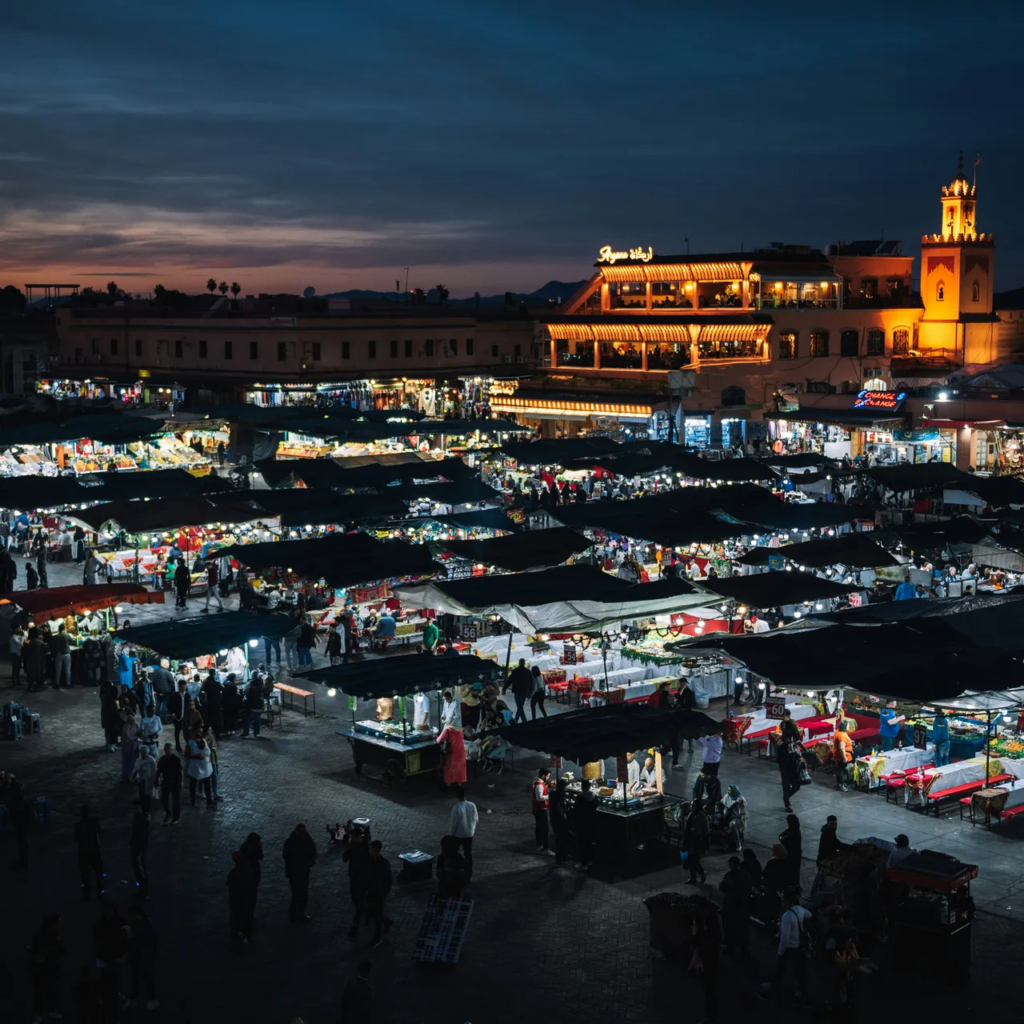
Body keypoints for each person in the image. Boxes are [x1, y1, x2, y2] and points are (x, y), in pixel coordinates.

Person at [760, 888, 811, 1002]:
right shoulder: (799, 910)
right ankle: (803, 993)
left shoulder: (786, 916)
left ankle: (773, 992)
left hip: (789, 947)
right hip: (799, 946)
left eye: (784, 900)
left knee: (780, 969)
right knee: (799, 971)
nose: (782, 903)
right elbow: (810, 915)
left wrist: (780, 952)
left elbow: (784, 938)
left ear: (789, 902)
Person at [28, 914, 65, 1023]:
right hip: (41, 968)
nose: (59, 925)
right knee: (40, 992)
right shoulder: (44, 936)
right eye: (57, 923)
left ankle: (47, 1011)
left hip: (49, 967)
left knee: (50, 990)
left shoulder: (54, 935)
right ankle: (40, 1013)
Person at [124, 902, 159, 1010]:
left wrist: (131, 937)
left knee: (144, 977)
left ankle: (149, 999)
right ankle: (145, 999)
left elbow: (145, 942)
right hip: (140, 956)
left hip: (143, 956)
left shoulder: (145, 926)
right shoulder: (144, 924)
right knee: (138, 978)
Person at [282, 823, 318, 923]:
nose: (302, 835)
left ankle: (300, 914)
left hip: (304, 871)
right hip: (294, 873)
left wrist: (310, 861)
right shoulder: (290, 842)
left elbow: (313, 850)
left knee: (304, 894)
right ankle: (293, 915)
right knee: (296, 894)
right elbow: (286, 856)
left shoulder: (306, 838)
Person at [719, 856, 752, 956]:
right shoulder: (741, 875)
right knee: (734, 929)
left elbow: (745, 891)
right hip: (734, 906)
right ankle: (733, 947)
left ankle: (739, 949)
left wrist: (731, 887)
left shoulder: (743, 876)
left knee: (737, 929)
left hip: (737, 906)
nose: (731, 867)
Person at [226, 850, 258, 947]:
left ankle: (238, 940)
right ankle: (248, 935)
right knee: (247, 917)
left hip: (237, 900)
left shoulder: (234, 874)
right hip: (248, 898)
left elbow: (229, 883)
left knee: (236, 920)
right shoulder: (248, 868)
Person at [364, 840, 393, 947]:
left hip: (378, 893)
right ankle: (386, 921)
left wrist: (383, 893)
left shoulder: (384, 864)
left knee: (376, 916)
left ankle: (377, 937)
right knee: (372, 911)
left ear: (377, 850)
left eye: (371, 849)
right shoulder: (369, 861)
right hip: (370, 891)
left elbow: (388, 881)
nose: (369, 851)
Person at [343, 826, 371, 937]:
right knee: (356, 901)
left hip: (361, 879)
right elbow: (345, 858)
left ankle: (355, 927)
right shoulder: (356, 846)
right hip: (354, 877)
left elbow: (345, 858)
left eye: (353, 837)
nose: (352, 838)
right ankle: (373, 915)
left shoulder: (363, 848)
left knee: (358, 902)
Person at [74, 805, 105, 898]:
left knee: (85, 875)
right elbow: (100, 831)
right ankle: (100, 892)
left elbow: (76, 839)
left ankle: (86, 894)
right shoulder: (95, 822)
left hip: (83, 852)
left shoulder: (78, 825)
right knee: (98, 872)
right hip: (95, 850)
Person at [437, 691, 466, 786]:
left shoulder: (456, 703)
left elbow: (457, 716)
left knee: (450, 764)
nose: (447, 701)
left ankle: (449, 781)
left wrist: (449, 723)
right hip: (449, 726)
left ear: (451, 697)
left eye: (447, 699)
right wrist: (443, 718)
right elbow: (444, 712)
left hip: (453, 725)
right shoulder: (446, 702)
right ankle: (458, 781)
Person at [449, 786, 478, 876]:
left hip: (458, 835)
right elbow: (476, 819)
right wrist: (472, 829)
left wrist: (451, 835)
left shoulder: (456, 808)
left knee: (453, 852)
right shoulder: (472, 805)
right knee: (468, 854)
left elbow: (454, 824)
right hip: (469, 834)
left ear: (458, 797)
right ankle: (469, 872)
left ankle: (455, 870)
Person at [573, 778, 599, 870]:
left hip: (582, 823)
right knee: (589, 842)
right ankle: (590, 860)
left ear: (582, 787)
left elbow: (576, 811)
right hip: (592, 822)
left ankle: (583, 864)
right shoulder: (594, 796)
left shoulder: (580, 797)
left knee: (582, 843)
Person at [682, 801, 710, 885]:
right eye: (691, 806)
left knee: (693, 860)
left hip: (697, 843)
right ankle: (693, 877)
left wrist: (696, 831)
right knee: (690, 860)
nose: (691, 807)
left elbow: (706, 832)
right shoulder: (691, 815)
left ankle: (701, 873)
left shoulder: (703, 818)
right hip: (689, 841)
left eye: (693, 806)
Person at [186, 727, 215, 806]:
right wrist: (197, 757)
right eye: (199, 731)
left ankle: (209, 800)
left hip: (205, 767)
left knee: (207, 784)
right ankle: (193, 800)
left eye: (201, 731)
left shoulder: (203, 740)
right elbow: (187, 755)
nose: (201, 733)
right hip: (195, 766)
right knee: (193, 785)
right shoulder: (191, 742)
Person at [156, 742, 182, 825]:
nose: (167, 751)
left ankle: (176, 817)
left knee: (176, 801)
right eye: (166, 749)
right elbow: (159, 770)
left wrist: (181, 782)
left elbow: (181, 771)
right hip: (166, 781)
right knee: (164, 799)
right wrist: (156, 779)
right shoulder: (162, 759)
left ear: (172, 750)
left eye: (169, 749)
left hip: (175, 782)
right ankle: (168, 812)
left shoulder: (176, 759)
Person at [129, 799, 150, 900]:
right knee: (137, 867)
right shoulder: (138, 818)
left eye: (136, 808)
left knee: (140, 868)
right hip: (136, 847)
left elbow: (144, 836)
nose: (134, 810)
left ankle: (144, 889)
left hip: (139, 848)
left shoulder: (143, 821)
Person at [549, 777, 572, 865]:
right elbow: (561, 810)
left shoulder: (552, 793)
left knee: (559, 838)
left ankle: (562, 857)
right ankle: (561, 857)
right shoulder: (560, 797)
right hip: (560, 820)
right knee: (561, 839)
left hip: (553, 819)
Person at [506, 657, 533, 724]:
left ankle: (524, 721)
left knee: (520, 707)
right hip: (525, 691)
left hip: (517, 691)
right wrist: (530, 692)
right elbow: (531, 682)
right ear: (524, 663)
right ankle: (516, 719)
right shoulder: (528, 672)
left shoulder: (515, 671)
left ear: (519, 663)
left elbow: (509, 680)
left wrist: (504, 688)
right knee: (520, 706)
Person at [131, 745, 157, 813]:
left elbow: (154, 770)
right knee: (141, 794)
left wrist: (155, 779)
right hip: (141, 780)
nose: (143, 755)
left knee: (147, 795)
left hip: (148, 780)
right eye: (142, 754)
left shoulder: (151, 760)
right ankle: (142, 808)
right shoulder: (139, 760)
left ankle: (147, 809)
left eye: (144, 754)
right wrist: (133, 777)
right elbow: (136, 769)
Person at [779, 814, 802, 889]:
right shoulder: (794, 830)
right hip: (795, 855)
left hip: (792, 855)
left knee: (792, 871)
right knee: (795, 872)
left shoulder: (793, 832)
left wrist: (783, 838)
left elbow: (784, 840)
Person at [532, 767, 551, 853]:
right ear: (543, 775)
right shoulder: (539, 785)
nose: (548, 778)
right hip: (540, 810)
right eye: (547, 776)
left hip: (537, 809)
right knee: (544, 829)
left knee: (539, 828)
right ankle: (545, 848)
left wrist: (548, 786)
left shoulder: (537, 782)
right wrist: (549, 796)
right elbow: (539, 798)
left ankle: (539, 846)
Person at [778, 739, 800, 812]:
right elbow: (782, 761)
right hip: (785, 771)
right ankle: (787, 805)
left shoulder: (793, 745)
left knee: (796, 786)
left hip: (793, 770)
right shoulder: (781, 748)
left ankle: (786, 797)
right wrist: (789, 752)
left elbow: (796, 756)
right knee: (786, 788)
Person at [723, 784, 747, 851]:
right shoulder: (726, 797)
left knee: (732, 824)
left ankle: (738, 844)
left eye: (730, 790)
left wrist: (742, 822)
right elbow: (722, 804)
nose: (729, 792)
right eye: (728, 790)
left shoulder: (740, 799)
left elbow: (743, 813)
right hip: (727, 816)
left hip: (738, 818)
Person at [168, 679, 189, 751]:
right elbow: (170, 705)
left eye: (184, 687)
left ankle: (188, 745)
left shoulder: (187, 695)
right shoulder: (175, 695)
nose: (183, 688)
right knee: (177, 732)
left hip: (185, 717)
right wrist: (172, 713)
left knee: (186, 732)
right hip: (177, 717)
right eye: (182, 687)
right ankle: (178, 745)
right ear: (179, 687)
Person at [52, 621, 72, 690]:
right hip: (67, 653)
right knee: (67, 670)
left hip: (59, 654)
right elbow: (71, 641)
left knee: (58, 670)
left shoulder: (56, 636)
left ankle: (57, 684)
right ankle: (68, 683)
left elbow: (53, 645)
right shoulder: (67, 635)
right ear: (64, 628)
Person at [833, 727, 853, 791]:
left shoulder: (839, 732)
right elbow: (842, 748)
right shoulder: (842, 735)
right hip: (842, 756)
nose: (848, 727)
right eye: (848, 726)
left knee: (839, 769)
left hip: (840, 755)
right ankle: (841, 785)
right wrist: (844, 758)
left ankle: (839, 784)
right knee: (840, 770)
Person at [9, 623, 23, 688]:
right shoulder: (13, 637)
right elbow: (20, 644)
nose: (20, 630)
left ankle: (17, 681)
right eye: (19, 628)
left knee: (18, 668)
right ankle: (14, 682)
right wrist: (22, 637)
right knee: (15, 668)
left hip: (19, 654)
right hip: (15, 654)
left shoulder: (18, 637)